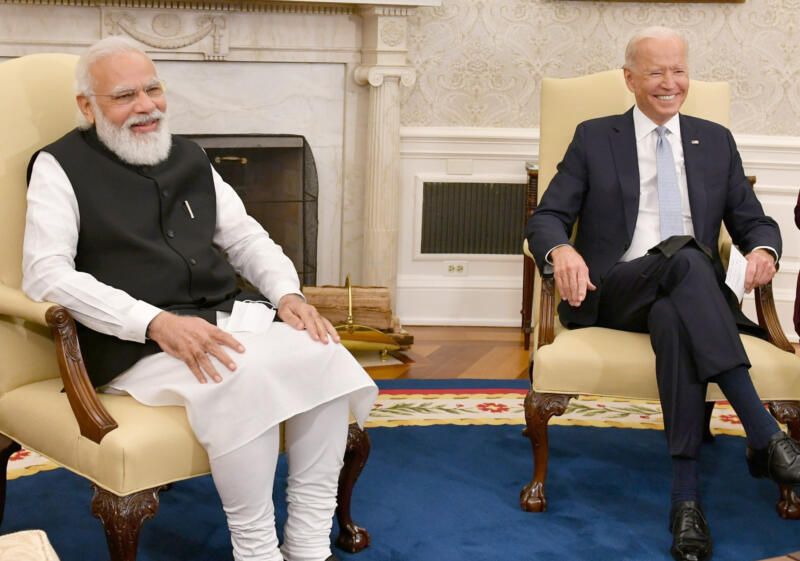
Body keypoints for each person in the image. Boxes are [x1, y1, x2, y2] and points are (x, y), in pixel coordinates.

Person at [22, 36, 377, 561]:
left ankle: (306, 544)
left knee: (321, 351)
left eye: (153, 89)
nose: (146, 107)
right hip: (133, 343)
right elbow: (45, 275)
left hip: (216, 320)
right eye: (124, 96)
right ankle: (255, 550)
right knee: (239, 376)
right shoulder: (58, 166)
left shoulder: (188, 154)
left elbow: (246, 237)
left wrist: (288, 294)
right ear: (87, 106)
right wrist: (154, 322)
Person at [527, 26, 800, 561]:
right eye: (655, 71)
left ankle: (686, 504)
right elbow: (548, 218)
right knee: (687, 256)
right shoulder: (593, 136)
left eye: (678, 70)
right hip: (616, 290)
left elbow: (754, 221)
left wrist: (766, 250)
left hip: (688, 298)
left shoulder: (715, 139)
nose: (669, 82)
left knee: (679, 307)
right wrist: (560, 252)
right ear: (629, 78)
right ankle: (764, 434)